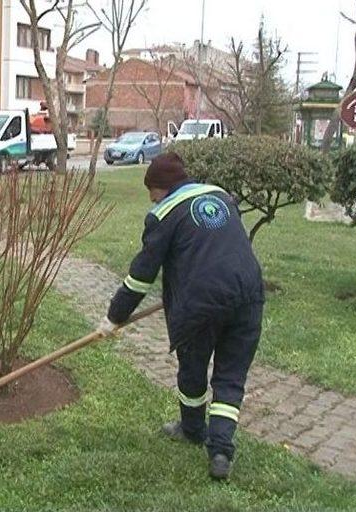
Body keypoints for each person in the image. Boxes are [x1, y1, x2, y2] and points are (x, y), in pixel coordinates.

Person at [98, 152, 264, 480]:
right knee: (231, 377)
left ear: (162, 187)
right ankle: (219, 450)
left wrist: (114, 318)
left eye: (151, 190)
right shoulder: (220, 196)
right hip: (249, 294)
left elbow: (141, 276)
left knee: (193, 369)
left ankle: (191, 430)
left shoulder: (164, 214)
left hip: (200, 304)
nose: (150, 197)